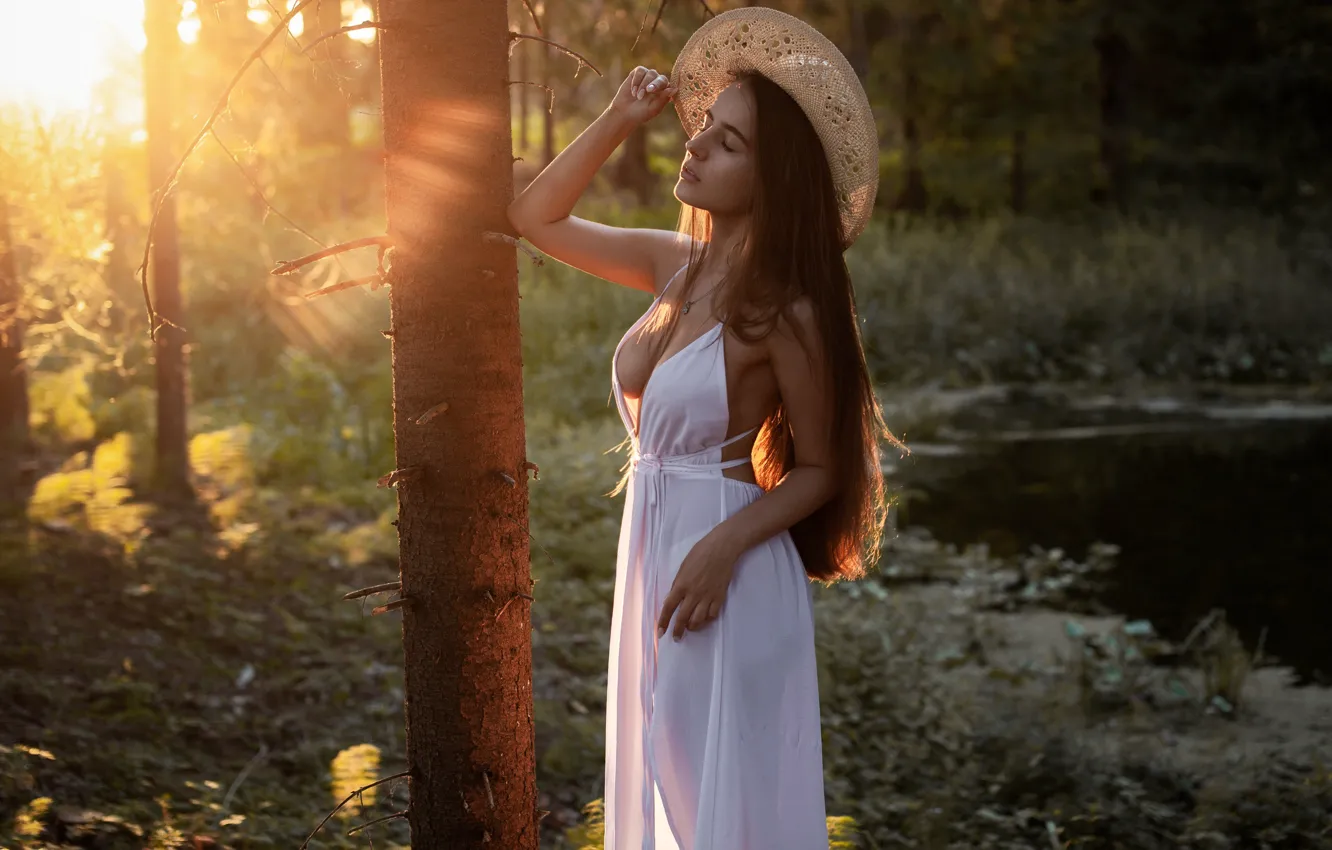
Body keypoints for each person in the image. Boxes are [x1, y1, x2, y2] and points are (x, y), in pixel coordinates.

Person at [508, 8, 898, 849]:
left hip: (726, 570)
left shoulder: (785, 311)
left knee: (718, 805)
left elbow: (825, 468)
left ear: (775, 178)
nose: (695, 148)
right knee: (662, 778)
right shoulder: (671, 265)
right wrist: (617, 118)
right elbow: (534, 217)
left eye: (727, 144)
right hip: (653, 555)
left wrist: (725, 548)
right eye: (705, 130)